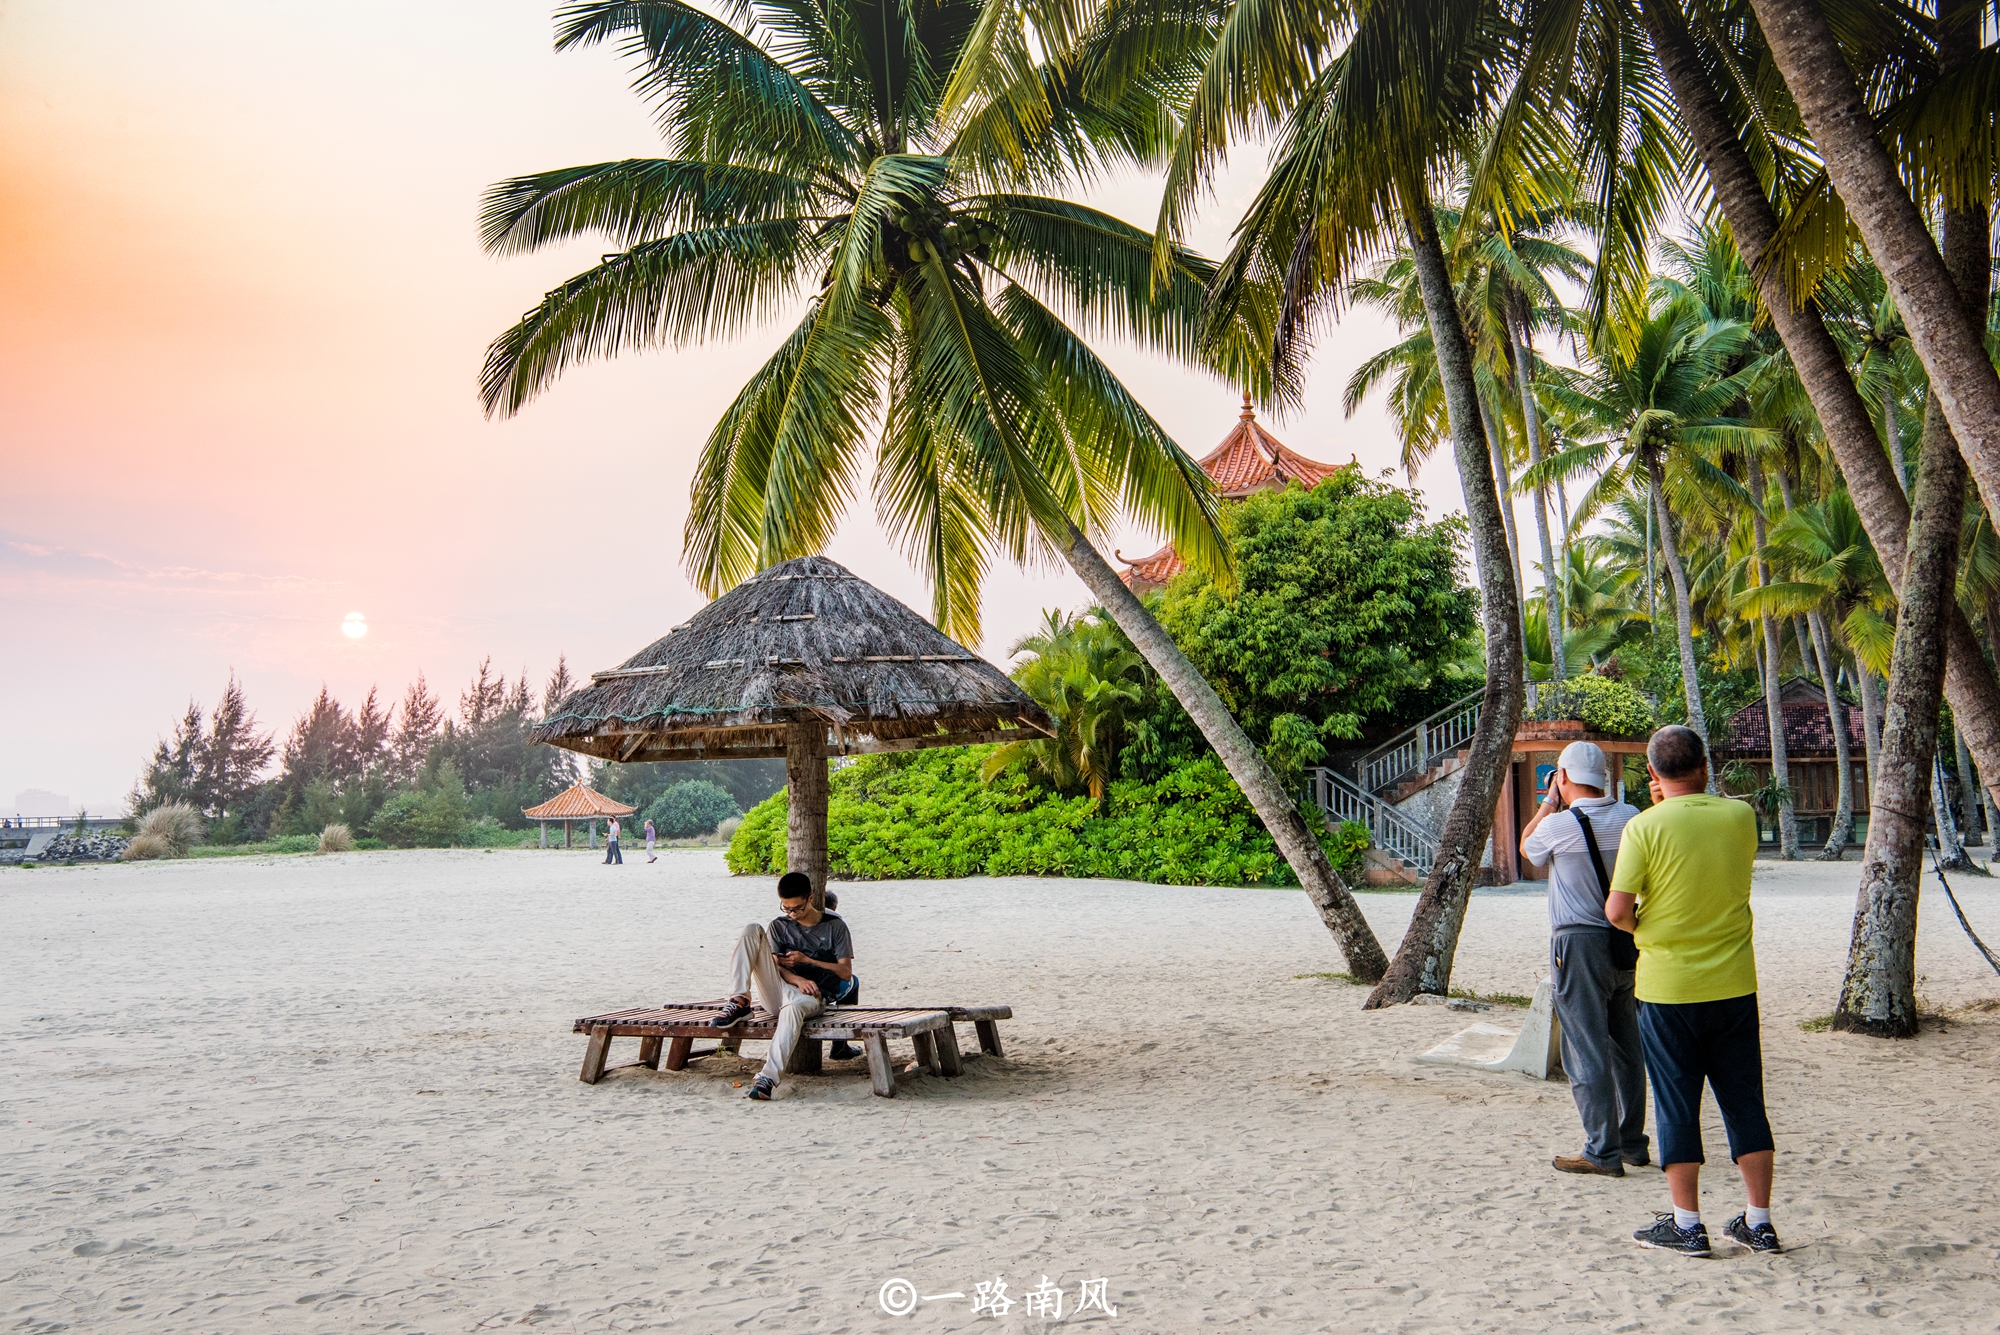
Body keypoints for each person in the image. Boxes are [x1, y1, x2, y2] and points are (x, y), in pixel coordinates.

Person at [1607, 725, 1778, 1256]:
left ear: (1653, 775)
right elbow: (1709, 841)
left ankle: (1687, 1225)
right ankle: (1760, 1221)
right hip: (1733, 984)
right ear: (1706, 765)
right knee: (1745, 1102)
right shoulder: (1741, 816)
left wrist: (1648, 930)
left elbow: (1616, 911)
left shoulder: (1643, 827)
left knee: (1677, 1104)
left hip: (1667, 989)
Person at [1519, 741, 1647, 1178]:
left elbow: (1526, 848)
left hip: (1576, 944)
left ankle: (1601, 1150)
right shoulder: (1631, 819)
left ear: (1564, 776)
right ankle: (1632, 1142)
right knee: (1627, 1045)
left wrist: (1549, 803)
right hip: (1625, 940)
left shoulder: (1559, 825)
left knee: (1584, 1048)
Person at [711, 872, 856, 1100]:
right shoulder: (779, 926)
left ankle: (767, 1079)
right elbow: (773, 964)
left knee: (793, 1010)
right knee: (751, 929)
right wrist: (795, 977)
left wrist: (807, 961)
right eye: (786, 908)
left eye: (797, 908)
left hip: (812, 996)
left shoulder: (834, 926)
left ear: (811, 898)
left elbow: (846, 972)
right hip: (780, 989)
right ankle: (738, 1001)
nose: (792, 914)